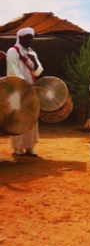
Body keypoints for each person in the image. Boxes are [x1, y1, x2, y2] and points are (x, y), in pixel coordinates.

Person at [6, 27, 43, 156]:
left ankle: (29, 146)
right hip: (17, 89)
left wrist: (34, 62)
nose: (30, 41)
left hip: (30, 89)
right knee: (17, 118)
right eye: (28, 38)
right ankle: (17, 147)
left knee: (31, 117)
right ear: (20, 38)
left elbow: (38, 71)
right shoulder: (13, 51)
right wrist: (23, 84)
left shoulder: (32, 53)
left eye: (31, 38)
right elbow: (13, 70)